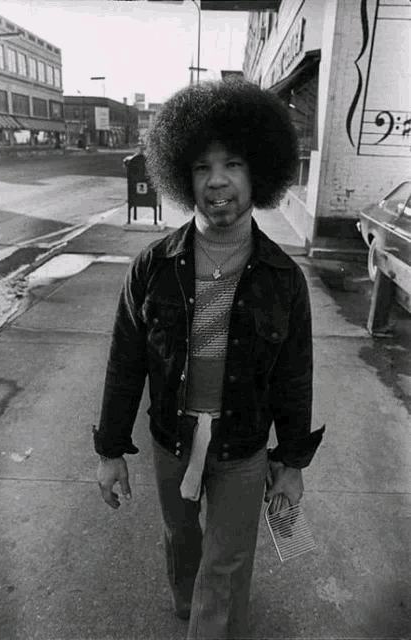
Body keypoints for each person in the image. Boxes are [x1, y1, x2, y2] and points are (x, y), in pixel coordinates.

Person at [93, 80, 324, 640]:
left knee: (227, 562)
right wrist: (110, 451)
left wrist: (290, 463)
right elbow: (126, 363)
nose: (217, 180)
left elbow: (294, 377)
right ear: (182, 176)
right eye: (201, 167)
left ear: (259, 174)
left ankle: (208, 624)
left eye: (234, 164)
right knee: (182, 540)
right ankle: (187, 601)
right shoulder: (152, 267)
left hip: (242, 445)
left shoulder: (282, 278)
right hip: (170, 439)